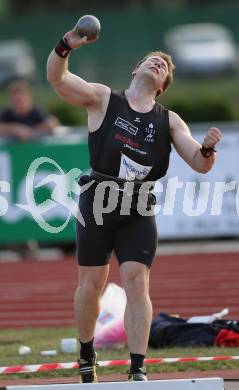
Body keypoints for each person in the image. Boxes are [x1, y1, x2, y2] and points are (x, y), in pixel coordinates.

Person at [47, 25, 222, 383]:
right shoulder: (103, 99)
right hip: (98, 199)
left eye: (164, 67)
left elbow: (199, 162)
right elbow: (57, 79)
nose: (158, 63)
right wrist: (66, 45)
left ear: (162, 86)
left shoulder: (169, 120)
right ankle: (86, 354)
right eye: (152, 60)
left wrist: (207, 149)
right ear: (135, 70)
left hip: (138, 206)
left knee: (136, 282)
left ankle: (138, 368)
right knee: (91, 285)